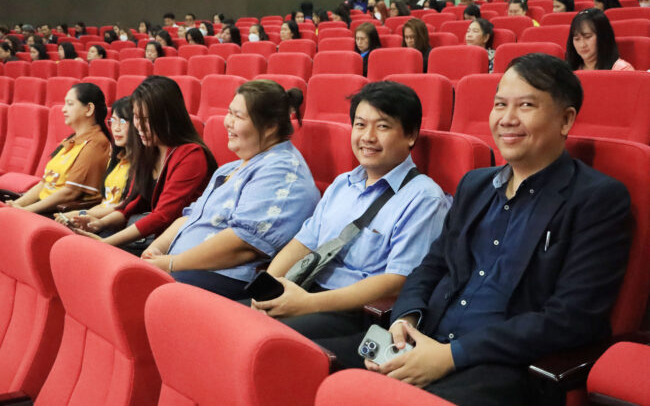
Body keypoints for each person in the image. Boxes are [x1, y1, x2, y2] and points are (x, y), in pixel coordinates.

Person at [338, 54, 632, 406]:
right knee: (315, 365)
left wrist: (452, 356)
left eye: (525, 105)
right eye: (500, 104)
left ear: (565, 119)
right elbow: (432, 266)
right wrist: (406, 318)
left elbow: (571, 319)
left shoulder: (597, 199)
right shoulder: (475, 185)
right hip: (424, 340)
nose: (507, 119)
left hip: (503, 366)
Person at [251, 81, 451, 351]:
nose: (368, 137)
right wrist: (269, 287)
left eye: (382, 126)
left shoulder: (425, 198)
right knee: (232, 321)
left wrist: (308, 304)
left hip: (356, 313)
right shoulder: (342, 183)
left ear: (411, 135)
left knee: (260, 341)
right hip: (306, 290)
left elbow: (398, 281)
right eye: (360, 125)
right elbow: (303, 243)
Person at [142, 80, 320, 298]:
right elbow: (191, 217)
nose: (228, 122)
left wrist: (170, 263)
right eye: (229, 113)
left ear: (270, 126)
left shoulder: (282, 170)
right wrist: (157, 249)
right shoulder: (230, 168)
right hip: (183, 266)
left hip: (223, 278)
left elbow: (243, 245)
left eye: (238, 116)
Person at [72, 76, 217, 252]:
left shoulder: (191, 156)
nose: (138, 126)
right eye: (136, 117)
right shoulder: (148, 149)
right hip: (150, 237)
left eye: (146, 119)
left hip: (176, 245)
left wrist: (105, 243)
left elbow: (163, 216)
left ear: (168, 118)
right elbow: (132, 204)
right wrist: (99, 224)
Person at [6, 84, 111, 213]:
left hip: (57, 213)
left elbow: (70, 193)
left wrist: (25, 211)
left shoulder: (95, 144)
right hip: (40, 207)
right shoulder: (70, 140)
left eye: (70, 104)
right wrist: (16, 205)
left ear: (89, 109)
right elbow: (45, 183)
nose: (63, 109)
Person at [55, 96, 135, 228]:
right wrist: (81, 217)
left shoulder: (141, 164)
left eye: (122, 121)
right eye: (113, 121)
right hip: (98, 220)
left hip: (116, 226)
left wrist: (80, 214)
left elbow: (123, 208)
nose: (116, 128)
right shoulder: (116, 158)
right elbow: (105, 203)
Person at [566, 8, 634, 71]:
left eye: (588, 37)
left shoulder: (622, 70)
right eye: (577, 39)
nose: (582, 45)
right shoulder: (569, 70)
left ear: (602, 37)